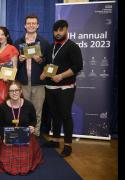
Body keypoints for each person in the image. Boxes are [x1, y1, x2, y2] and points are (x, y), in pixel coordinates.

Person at [40, 20, 83, 157]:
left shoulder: (73, 46)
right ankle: (55, 140)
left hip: (65, 87)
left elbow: (77, 67)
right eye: (56, 31)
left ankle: (68, 145)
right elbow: (48, 64)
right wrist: (43, 73)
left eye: (61, 30)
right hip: (50, 87)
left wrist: (61, 76)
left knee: (65, 115)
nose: (58, 33)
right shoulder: (51, 46)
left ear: (66, 30)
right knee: (54, 115)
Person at [0, 81, 43, 175]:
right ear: (8, 93)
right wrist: (3, 138)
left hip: (24, 136)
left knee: (25, 162)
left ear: (21, 91)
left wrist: (32, 126)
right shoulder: (3, 107)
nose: (14, 93)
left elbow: (34, 120)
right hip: (9, 136)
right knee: (7, 162)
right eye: (11, 91)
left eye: (16, 90)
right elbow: (0, 125)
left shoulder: (29, 105)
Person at [14, 15, 50, 137]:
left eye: (33, 23)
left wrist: (40, 60)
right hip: (23, 81)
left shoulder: (44, 42)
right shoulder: (18, 42)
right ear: (25, 26)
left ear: (37, 25)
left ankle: (36, 134)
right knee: (24, 109)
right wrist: (20, 59)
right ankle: (24, 134)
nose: (31, 25)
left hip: (38, 82)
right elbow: (14, 64)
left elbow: (49, 62)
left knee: (37, 110)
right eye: (29, 23)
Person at [0, 26, 19, 123]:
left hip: (6, 82)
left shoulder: (12, 49)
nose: (0, 36)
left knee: (3, 104)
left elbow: (15, 68)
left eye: (2, 34)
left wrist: (9, 77)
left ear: (7, 35)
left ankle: (4, 130)